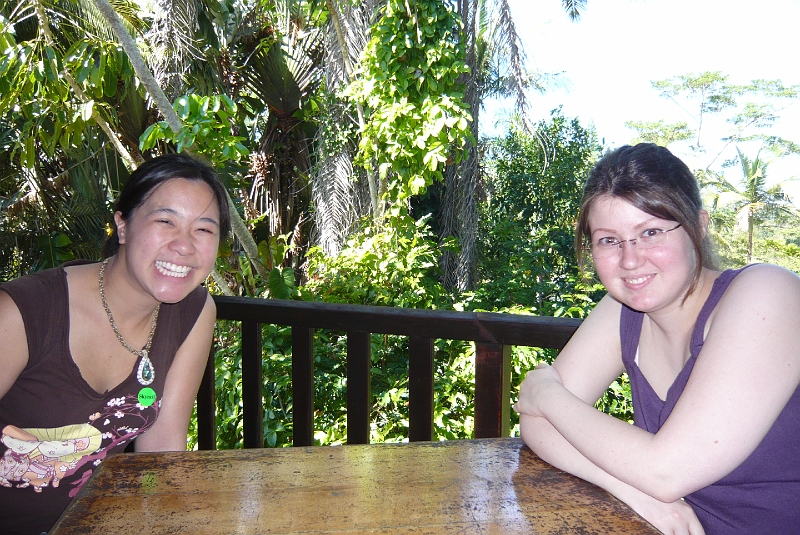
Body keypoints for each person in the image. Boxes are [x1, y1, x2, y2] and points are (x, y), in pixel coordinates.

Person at [514, 143, 800, 535]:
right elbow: (536, 426)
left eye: (650, 232)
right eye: (609, 240)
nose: (630, 260)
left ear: (698, 227)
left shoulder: (768, 293)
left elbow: (667, 472)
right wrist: (639, 494)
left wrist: (547, 394)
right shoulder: (625, 310)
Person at [0, 152, 230, 534]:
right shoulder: (27, 310)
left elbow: (161, 450)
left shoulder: (194, 311)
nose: (185, 245)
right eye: (165, 221)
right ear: (122, 226)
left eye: (204, 229)